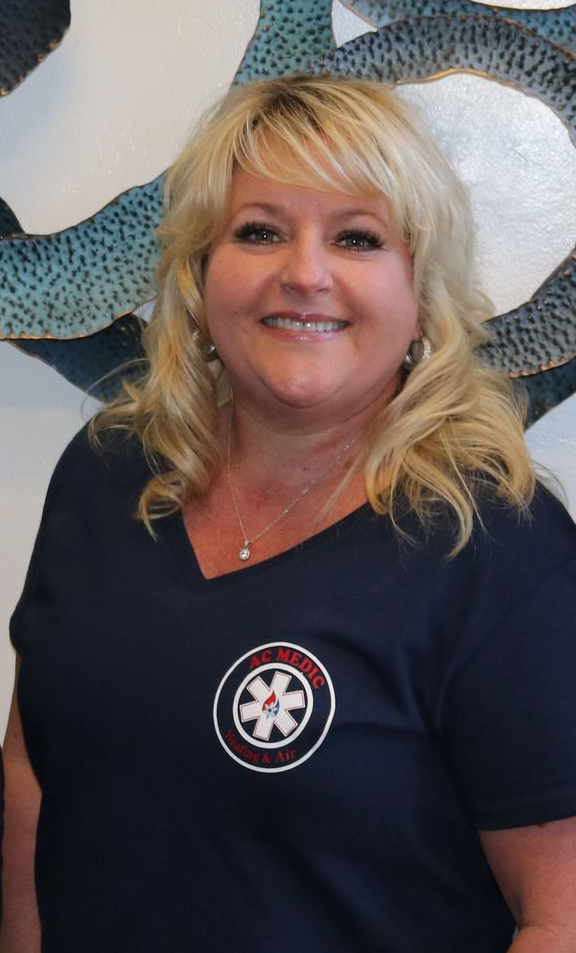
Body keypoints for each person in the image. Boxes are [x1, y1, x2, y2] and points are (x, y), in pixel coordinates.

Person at [2, 74, 576, 953]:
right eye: (260, 230)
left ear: (421, 293)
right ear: (199, 275)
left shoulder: (499, 547)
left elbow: (561, 916)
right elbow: (32, 769)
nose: (304, 274)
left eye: (357, 238)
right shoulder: (104, 475)